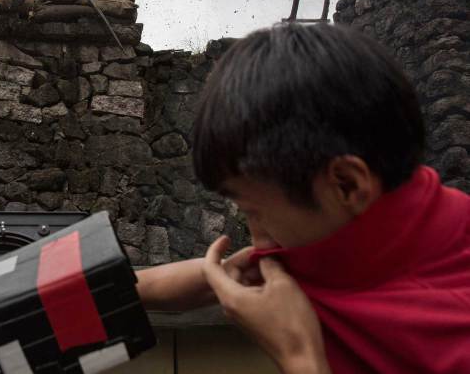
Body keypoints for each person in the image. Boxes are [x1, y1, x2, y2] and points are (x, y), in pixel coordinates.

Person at [136, 24, 470, 374]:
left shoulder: (454, 338)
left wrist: (298, 355)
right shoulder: (347, 230)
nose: (257, 238)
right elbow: (219, 274)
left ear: (347, 184)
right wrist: (97, 285)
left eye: (254, 211)